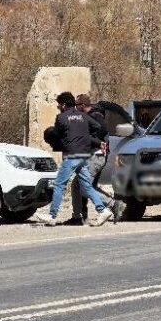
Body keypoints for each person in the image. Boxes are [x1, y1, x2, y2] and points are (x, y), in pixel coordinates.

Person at [36, 92, 112, 227]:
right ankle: (102, 210)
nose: (58, 107)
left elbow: (57, 135)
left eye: (59, 104)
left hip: (72, 155)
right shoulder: (83, 117)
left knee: (59, 184)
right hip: (83, 155)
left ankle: (52, 216)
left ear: (64, 105)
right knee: (86, 185)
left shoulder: (61, 117)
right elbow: (98, 127)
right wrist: (87, 137)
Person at [70, 97, 114, 224]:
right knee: (78, 185)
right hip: (92, 156)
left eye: (77, 105)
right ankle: (78, 217)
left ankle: (113, 204)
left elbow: (102, 129)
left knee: (83, 186)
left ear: (83, 105)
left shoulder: (95, 116)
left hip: (96, 156)